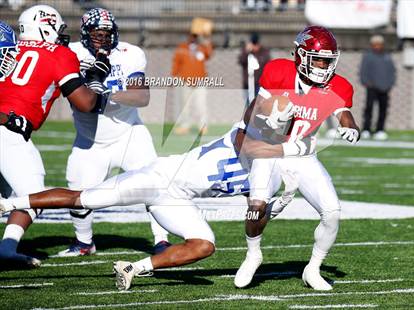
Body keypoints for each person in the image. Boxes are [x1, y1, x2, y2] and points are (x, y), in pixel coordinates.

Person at [0, 116, 304, 290]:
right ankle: (9, 204)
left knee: (204, 245)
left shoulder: (269, 176)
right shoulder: (244, 134)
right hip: (158, 178)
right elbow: (245, 141)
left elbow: (253, 215)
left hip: (178, 201)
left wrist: (274, 206)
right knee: (83, 199)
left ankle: (133, 268)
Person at [234, 26, 360, 291]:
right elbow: (251, 114)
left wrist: (350, 127)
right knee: (256, 205)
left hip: (303, 155)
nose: (324, 66)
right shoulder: (278, 71)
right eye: (319, 59)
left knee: (332, 213)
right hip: (269, 149)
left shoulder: (339, 85)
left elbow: (344, 114)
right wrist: (268, 117)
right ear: (301, 56)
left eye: (328, 60)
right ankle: (253, 253)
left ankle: (313, 268)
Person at [0, 4, 110, 267]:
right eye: (57, 29)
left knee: (7, 191)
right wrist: (96, 78)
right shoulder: (60, 54)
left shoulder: (12, 48)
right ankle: (6, 249)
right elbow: (85, 103)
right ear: (46, 26)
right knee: (33, 195)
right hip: (10, 134)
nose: (61, 35)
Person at [58, 8, 170, 257]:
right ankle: (84, 242)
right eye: (98, 34)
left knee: (154, 184)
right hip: (90, 141)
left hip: (129, 134)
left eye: (108, 33)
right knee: (78, 192)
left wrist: (106, 95)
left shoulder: (130, 54)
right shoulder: (70, 54)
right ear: (86, 34)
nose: (104, 39)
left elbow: (142, 96)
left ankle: (162, 240)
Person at [171, 32, 213, 135]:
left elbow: (209, 54)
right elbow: (176, 63)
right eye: (192, 36)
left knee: (201, 104)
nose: (193, 38)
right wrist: (173, 77)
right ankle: (185, 125)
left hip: (200, 82)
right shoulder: (182, 48)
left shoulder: (202, 48)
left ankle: (203, 126)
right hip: (186, 82)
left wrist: (206, 40)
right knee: (185, 106)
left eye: (195, 36)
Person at [359, 35, 396, 140]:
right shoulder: (368, 56)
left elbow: (392, 72)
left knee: (383, 109)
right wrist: (367, 83)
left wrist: (390, 84)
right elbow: (363, 72)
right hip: (372, 87)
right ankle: (366, 129)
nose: (377, 46)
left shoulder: (387, 56)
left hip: (385, 88)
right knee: (369, 108)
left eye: (379, 44)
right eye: (375, 45)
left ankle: (380, 130)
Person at [238, 32, 271, 105]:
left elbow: (268, 65)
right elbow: (241, 61)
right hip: (248, 84)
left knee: (259, 105)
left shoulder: (264, 52)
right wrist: (247, 51)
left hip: (259, 84)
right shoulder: (247, 51)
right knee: (249, 105)